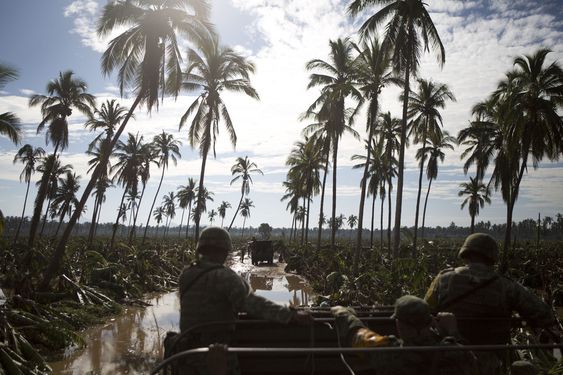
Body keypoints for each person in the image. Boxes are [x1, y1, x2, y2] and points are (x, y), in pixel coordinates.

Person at [178, 226, 311, 374]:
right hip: (215, 354)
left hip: (185, 353)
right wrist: (290, 315)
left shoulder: (186, 275)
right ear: (224, 251)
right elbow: (253, 304)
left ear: (200, 249)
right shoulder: (225, 276)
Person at [424, 233, 557, 374]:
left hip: (449, 358)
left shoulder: (443, 279)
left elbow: (425, 311)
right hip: (489, 362)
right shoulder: (506, 286)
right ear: (492, 257)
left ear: (465, 253)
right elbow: (544, 315)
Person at [332, 295, 479, 375]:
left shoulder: (389, 352)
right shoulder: (456, 353)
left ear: (399, 324)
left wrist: (342, 311)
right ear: (430, 322)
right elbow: (474, 363)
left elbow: (357, 334)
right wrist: (452, 332)